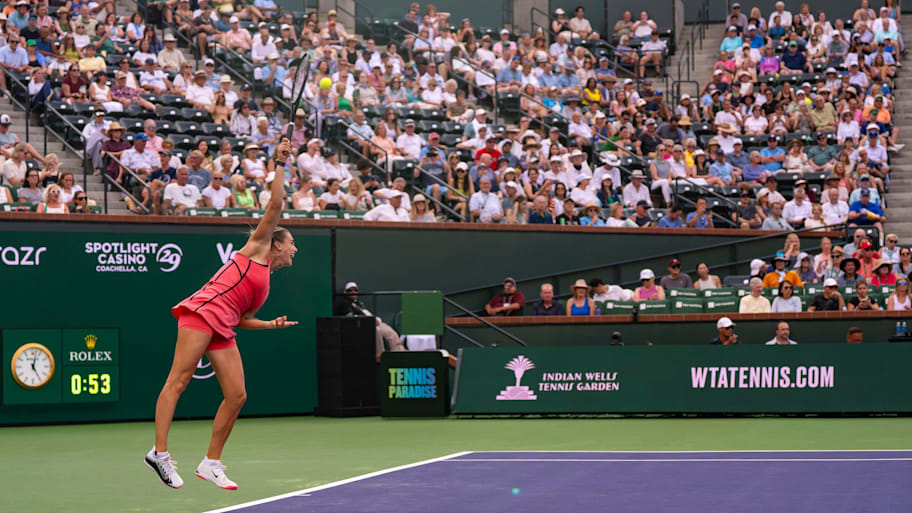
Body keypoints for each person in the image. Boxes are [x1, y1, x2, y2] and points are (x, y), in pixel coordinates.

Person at [147, 143, 298, 490]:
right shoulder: (257, 246)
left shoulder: (265, 285)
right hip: (202, 313)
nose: (294, 249)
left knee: (237, 395)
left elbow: (242, 319)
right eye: (290, 243)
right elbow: (276, 204)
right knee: (179, 380)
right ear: (275, 244)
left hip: (222, 327)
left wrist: (269, 325)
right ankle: (159, 453)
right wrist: (279, 163)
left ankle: (211, 462)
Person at [335, 281, 405, 360]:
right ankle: (380, 356)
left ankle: (399, 351)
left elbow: (366, 313)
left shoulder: (359, 303)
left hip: (372, 321)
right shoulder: (344, 304)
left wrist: (376, 319)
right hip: (363, 326)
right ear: (345, 292)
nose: (353, 292)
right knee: (377, 330)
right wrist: (370, 321)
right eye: (350, 290)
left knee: (388, 330)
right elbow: (352, 318)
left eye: (355, 290)